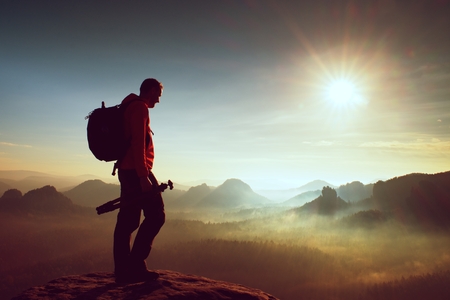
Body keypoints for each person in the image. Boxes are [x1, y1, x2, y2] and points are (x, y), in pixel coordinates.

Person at [113, 78, 165, 284]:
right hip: (136, 172)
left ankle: (122, 270)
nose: (158, 101)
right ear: (151, 91)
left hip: (127, 171)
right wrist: (144, 177)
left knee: (127, 221)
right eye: (158, 96)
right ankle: (134, 265)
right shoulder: (140, 108)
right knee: (156, 215)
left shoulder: (128, 105)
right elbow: (137, 144)